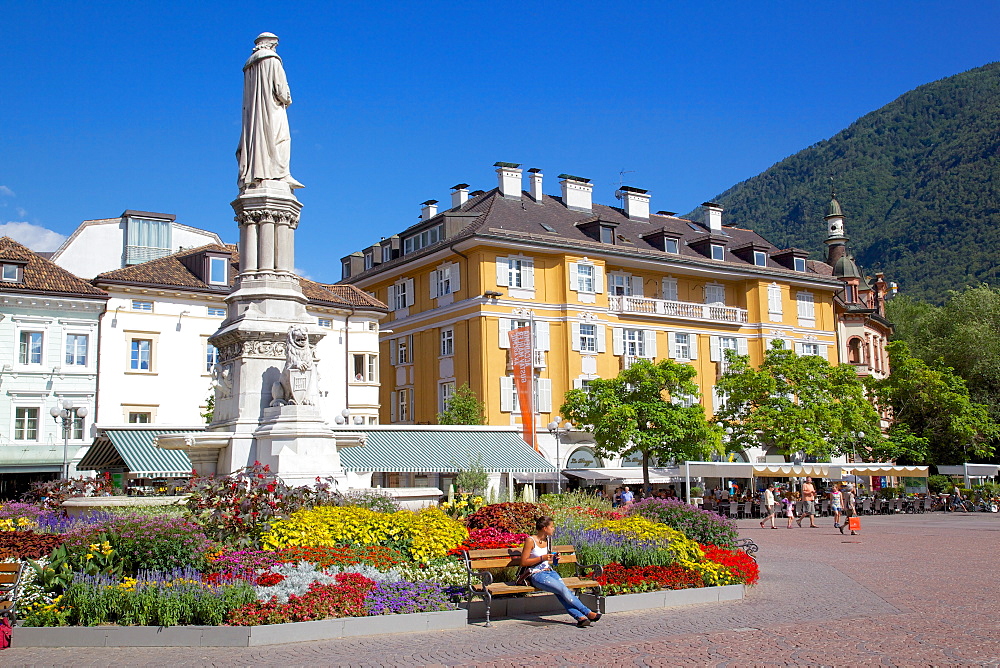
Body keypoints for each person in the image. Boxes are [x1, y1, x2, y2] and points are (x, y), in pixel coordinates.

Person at [237, 32, 304, 191]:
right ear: (270, 45)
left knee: (257, 141)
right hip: (272, 110)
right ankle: (279, 173)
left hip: (253, 117)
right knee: (280, 138)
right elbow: (281, 92)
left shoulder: (249, 67)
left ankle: (257, 172)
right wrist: (288, 98)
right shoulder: (273, 61)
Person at [520, 517, 601, 627]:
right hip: (537, 574)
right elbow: (524, 562)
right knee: (563, 590)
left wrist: (554, 559)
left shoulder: (548, 540)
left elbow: (550, 562)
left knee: (561, 592)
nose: (553, 529)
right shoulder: (530, 540)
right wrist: (542, 558)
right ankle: (587, 612)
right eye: (552, 527)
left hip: (550, 572)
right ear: (544, 528)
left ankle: (580, 618)